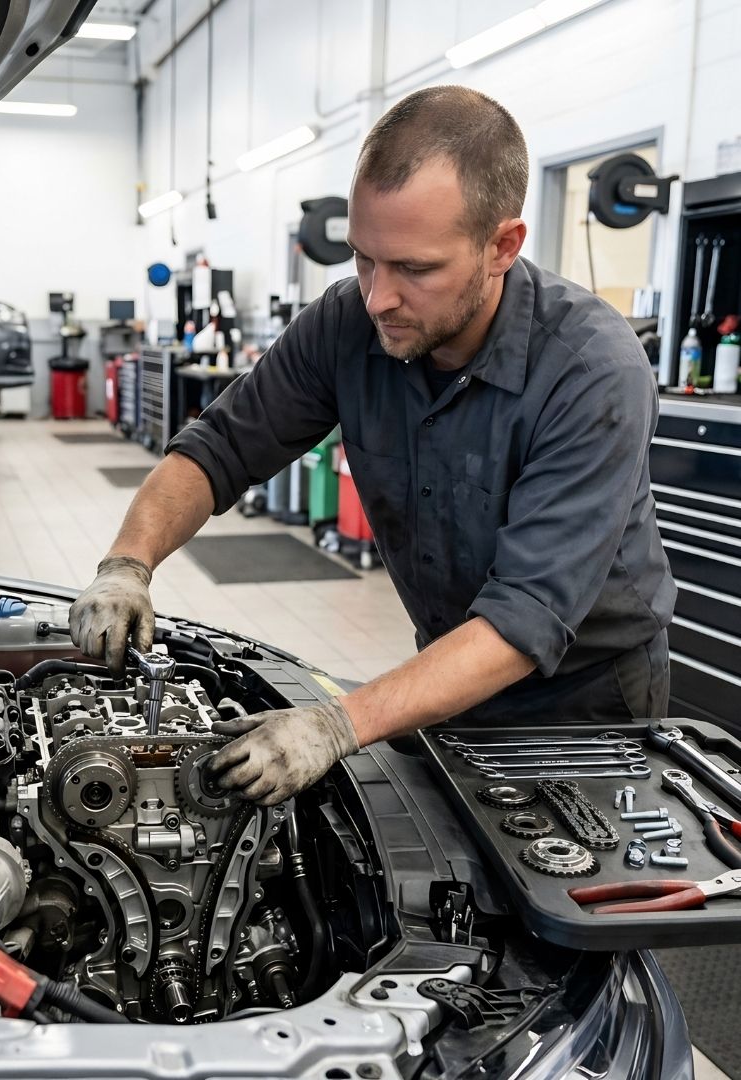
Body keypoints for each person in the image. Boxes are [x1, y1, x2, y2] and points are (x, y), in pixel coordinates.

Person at [70, 86, 675, 807]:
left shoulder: (591, 371)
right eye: (364, 259)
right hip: (446, 674)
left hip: (585, 711)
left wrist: (336, 723)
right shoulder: (348, 323)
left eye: (415, 269)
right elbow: (218, 449)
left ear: (501, 247)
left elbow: (524, 620)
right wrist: (125, 565)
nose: (378, 296)